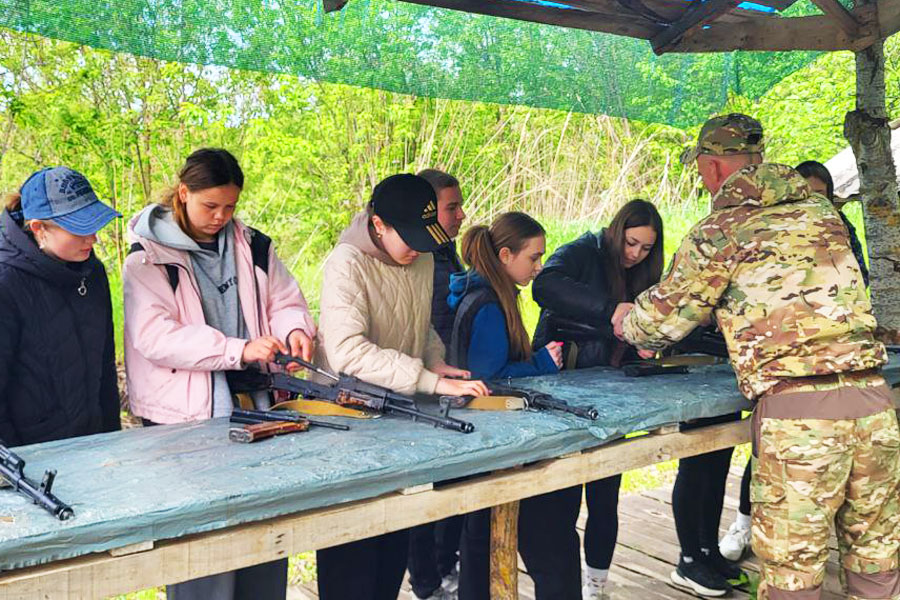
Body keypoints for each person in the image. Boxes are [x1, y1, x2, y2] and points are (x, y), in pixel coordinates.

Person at [617, 113, 900, 600]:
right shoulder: (822, 214)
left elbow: (659, 324)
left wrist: (626, 319)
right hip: (874, 405)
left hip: (800, 423)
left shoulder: (723, 229)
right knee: (877, 566)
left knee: (793, 580)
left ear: (711, 167)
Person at [124, 148, 316, 600]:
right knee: (202, 543)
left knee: (263, 528)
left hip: (258, 405)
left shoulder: (255, 245)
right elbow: (155, 337)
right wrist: (238, 349)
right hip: (186, 419)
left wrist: (294, 331)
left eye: (230, 206)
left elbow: (285, 300)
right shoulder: (147, 258)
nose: (220, 217)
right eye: (210, 205)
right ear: (183, 193)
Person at [314, 173, 489, 600]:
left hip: (397, 421)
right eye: (409, 238)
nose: (417, 248)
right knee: (353, 565)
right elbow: (346, 351)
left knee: (392, 554)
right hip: (346, 426)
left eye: (423, 238)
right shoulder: (346, 264)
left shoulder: (422, 254)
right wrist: (428, 380)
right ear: (379, 225)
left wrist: (435, 360)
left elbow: (418, 323)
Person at [719, 158, 870, 565]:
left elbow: (861, 282)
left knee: (802, 556)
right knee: (767, 460)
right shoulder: (761, 231)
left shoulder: (838, 230)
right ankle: (743, 522)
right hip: (791, 383)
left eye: (820, 196)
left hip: (834, 382)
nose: (809, 201)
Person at [530, 199, 663, 599]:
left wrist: (645, 343)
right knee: (563, 500)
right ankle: (565, 586)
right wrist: (611, 311)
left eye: (646, 248)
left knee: (605, 497)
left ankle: (597, 585)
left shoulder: (645, 271)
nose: (635, 254)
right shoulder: (582, 250)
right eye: (631, 243)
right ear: (616, 231)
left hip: (615, 393)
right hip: (566, 389)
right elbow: (544, 286)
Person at [446, 211, 562, 600]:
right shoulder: (490, 304)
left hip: (476, 430)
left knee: (478, 534)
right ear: (506, 256)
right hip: (485, 429)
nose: (539, 266)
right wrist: (543, 363)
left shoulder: (484, 292)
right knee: (484, 535)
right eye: (534, 257)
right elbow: (488, 378)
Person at [0, 166, 121, 446]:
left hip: (93, 444)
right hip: (32, 454)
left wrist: (112, 440)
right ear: (39, 228)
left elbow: (105, 367)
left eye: (94, 226)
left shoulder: (93, 273)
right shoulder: (7, 283)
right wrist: (18, 462)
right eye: (80, 229)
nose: (93, 238)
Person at [407, 168, 468, 600]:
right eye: (452, 207)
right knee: (423, 491)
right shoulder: (414, 255)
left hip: (446, 381)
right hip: (416, 388)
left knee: (450, 483)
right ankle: (427, 583)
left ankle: (445, 568)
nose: (461, 215)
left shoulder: (444, 251)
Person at [796, 160, 869, 286]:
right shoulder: (782, 224)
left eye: (819, 193)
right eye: (806, 193)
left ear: (828, 193)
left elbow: (860, 271)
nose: (812, 199)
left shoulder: (839, 222)